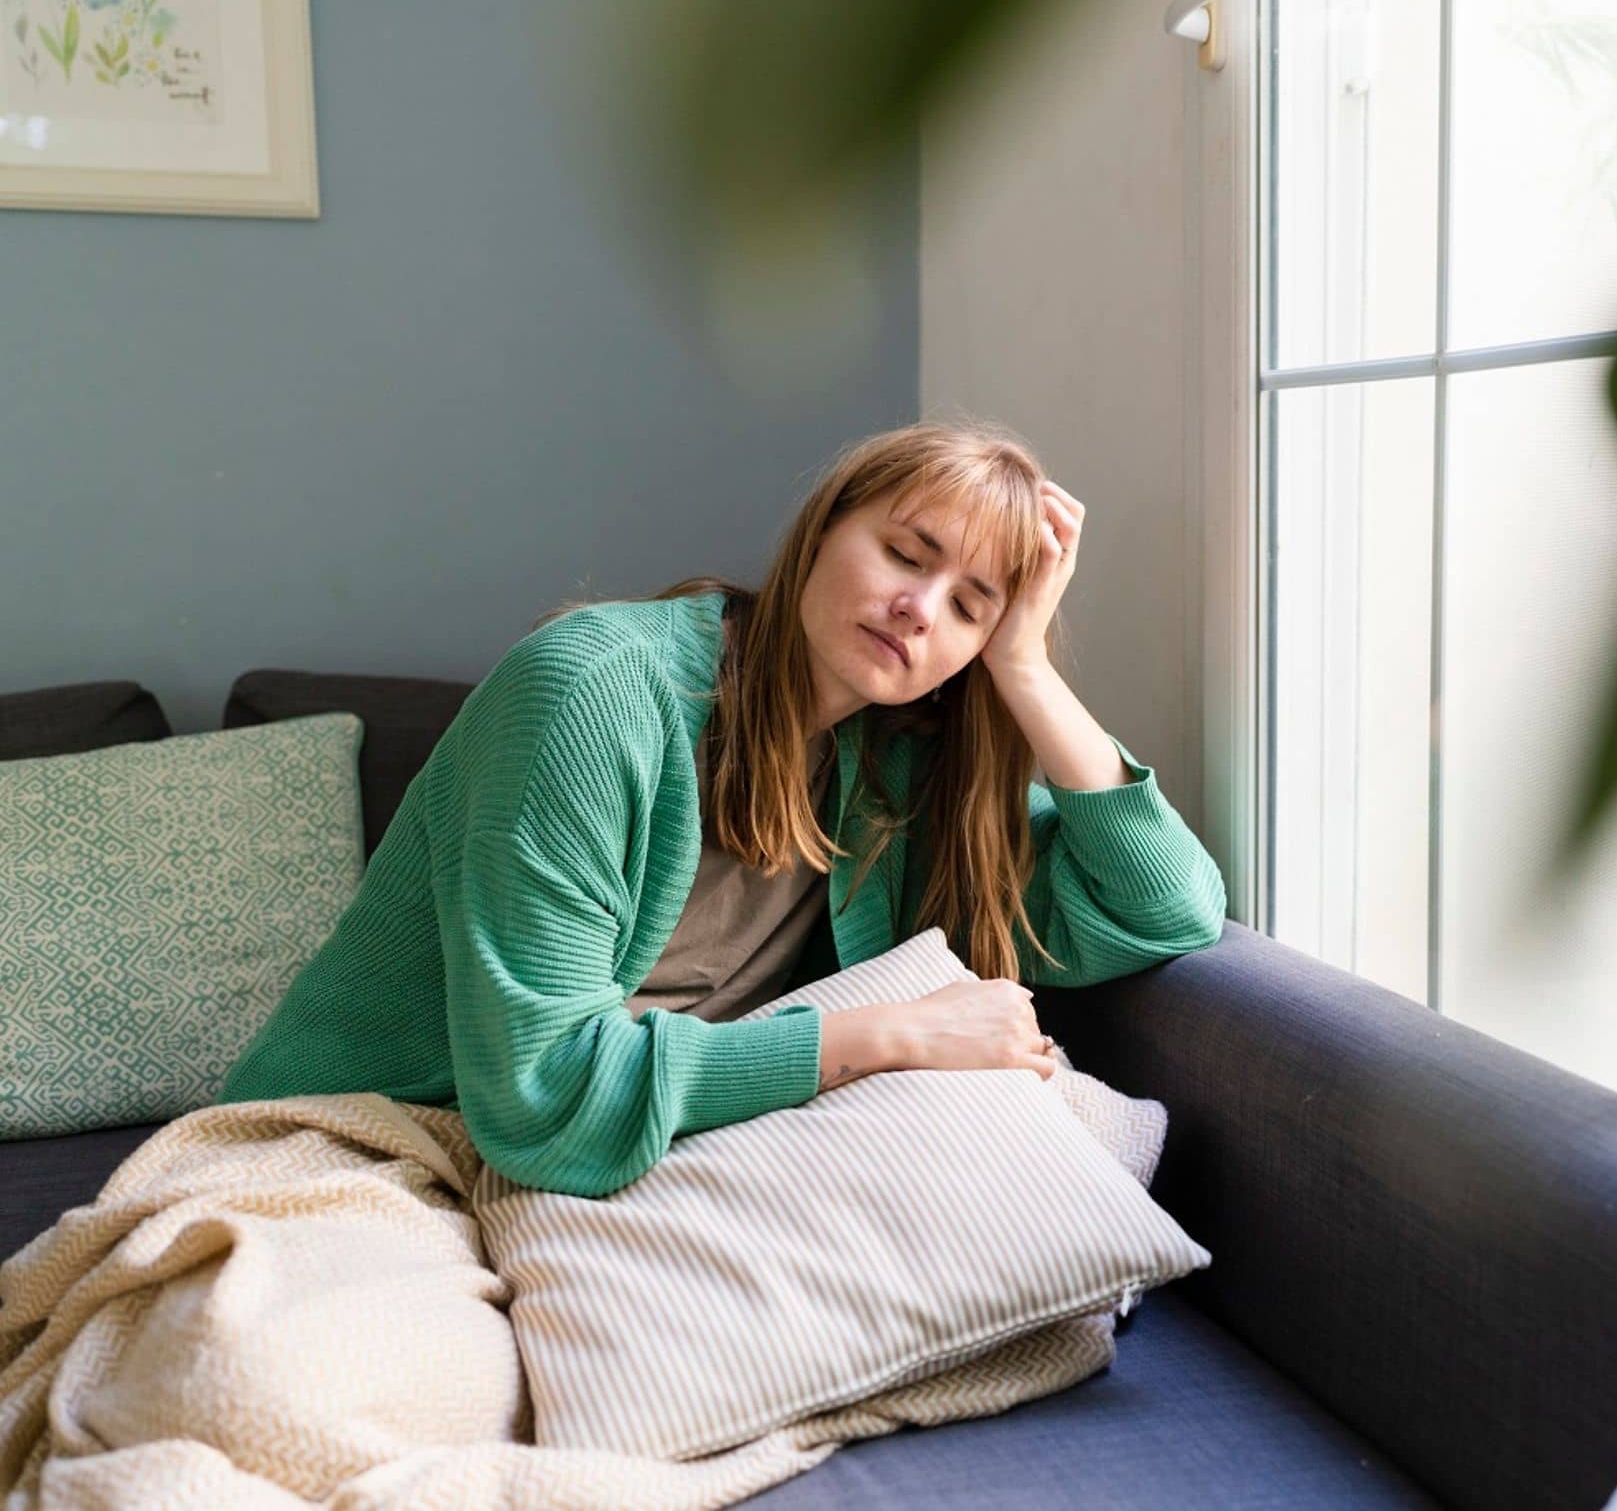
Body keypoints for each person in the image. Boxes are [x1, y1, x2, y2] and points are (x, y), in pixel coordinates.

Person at [217, 419, 1227, 1196]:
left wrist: (1025, 667)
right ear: (823, 527)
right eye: (906, 554)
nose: (921, 607)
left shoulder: (895, 778)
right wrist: (896, 1035)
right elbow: (546, 1095)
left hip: (620, 1157)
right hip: (368, 1139)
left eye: (969, 606)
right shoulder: (588, 693)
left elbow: (1165, 909)